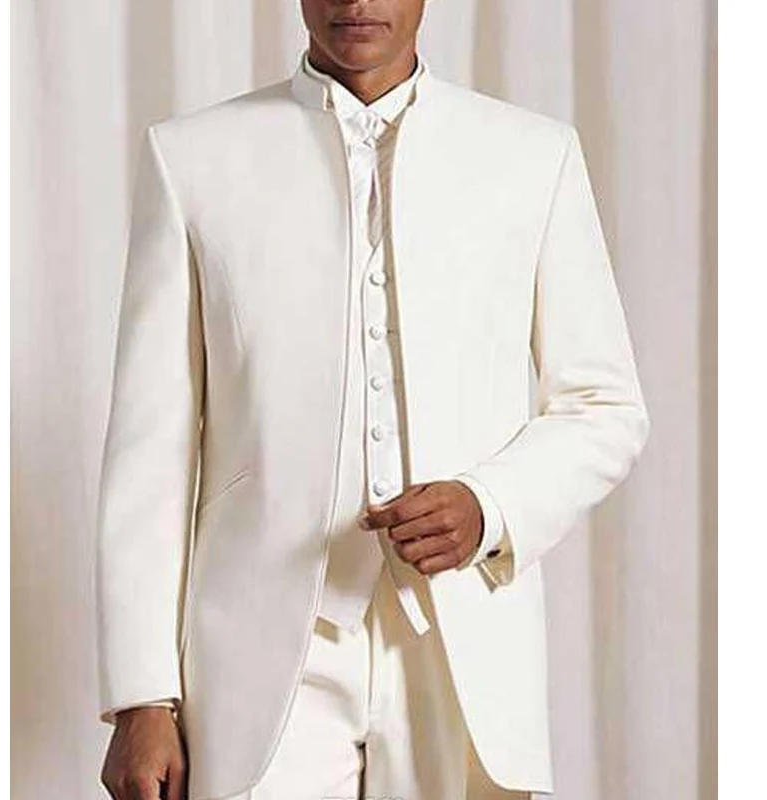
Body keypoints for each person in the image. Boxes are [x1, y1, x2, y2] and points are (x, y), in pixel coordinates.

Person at [95, 1, 650, 798]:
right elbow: (152, 448)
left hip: (463, 646)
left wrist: (490, 505)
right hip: (259, 656)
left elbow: (603, 403)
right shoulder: (192, 159)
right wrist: (143, 695)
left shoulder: (534, 157)